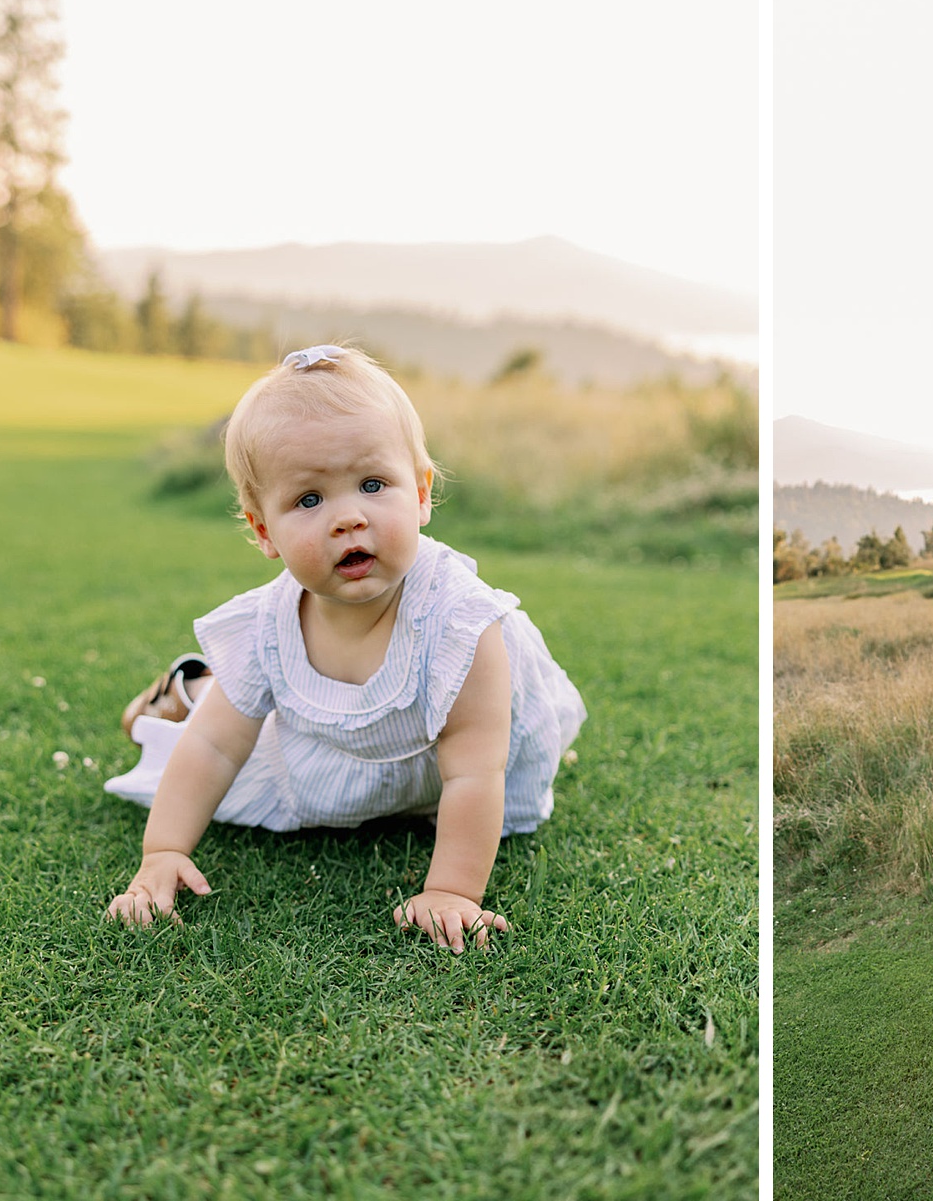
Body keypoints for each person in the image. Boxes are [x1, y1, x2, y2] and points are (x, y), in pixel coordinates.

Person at [104, 345, 586, 953]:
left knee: (454, 781)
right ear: (263, 532)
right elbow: (215, 744)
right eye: (309, 500)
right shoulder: (272, 623)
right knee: (215, 738)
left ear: (420, 495)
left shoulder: (460, 622)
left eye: (373, 484)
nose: (348, 518)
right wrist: (163, 851)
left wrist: (452, 891)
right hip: (332, 744)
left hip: (454, 748)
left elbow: (473, 767)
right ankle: (189, 687)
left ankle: (196, 686)